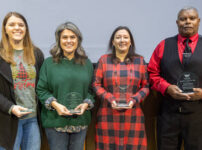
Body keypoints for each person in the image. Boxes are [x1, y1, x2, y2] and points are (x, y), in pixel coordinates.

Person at [148, 7, 202, 150]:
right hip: (169, 115)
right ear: (177, 22)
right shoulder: (163, 45)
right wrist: (166, 88)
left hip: (199, 115)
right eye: (183, 19)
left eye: (192, 18)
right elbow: (152, 74)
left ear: (198, 21)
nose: (187, 22)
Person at [36, 22, 94, 150]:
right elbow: (41, 90)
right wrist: (55, 105)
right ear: (59, 40)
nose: (69, 41)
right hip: (55, 121)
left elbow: (91, 90)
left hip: (80, 121)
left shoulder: (87, 64)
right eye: (65, 37)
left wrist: (86, 104)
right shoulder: (48, 63)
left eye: (72, 37)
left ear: (78, 40)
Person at [93, 26, 149, 150]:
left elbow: (146, 86)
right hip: (108, 114)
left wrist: (133, 100)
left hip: (133, 115)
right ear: (113, 42)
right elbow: (96, 84)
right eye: (118, 37)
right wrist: (110, 98)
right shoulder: (104, 60)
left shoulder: (140, 61)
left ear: (130, 42)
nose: (122, 40)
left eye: (125, 37)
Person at [0, 12, 44, 150]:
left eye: (21, 25)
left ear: (26, 29)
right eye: (12, 24)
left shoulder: (36, 53)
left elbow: (42, 86)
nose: (17, 28)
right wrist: (11, 108)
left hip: (32, 119)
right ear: (5, 29)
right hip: (8, 120)